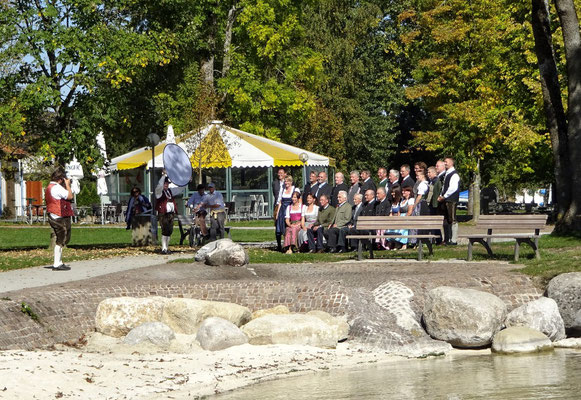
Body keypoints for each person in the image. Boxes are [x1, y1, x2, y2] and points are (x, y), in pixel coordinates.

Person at [45, 169, 74, 271]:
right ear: (61, 179)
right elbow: (70, 196)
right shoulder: (57, 188)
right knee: (61, 239)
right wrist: (68, 185)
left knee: (61, 239)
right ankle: (56, 264)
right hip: (58, 216)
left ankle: (59, 262)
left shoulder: (49, 187)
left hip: (53, 214)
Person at [155, 172, 185, 254]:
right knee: (165, 230)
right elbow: (159, 186)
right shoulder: (159, 192)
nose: (166, 185)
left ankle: (166, 247)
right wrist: (163, 176)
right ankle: (163, 248)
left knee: (169, 231)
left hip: (170, 214)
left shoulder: (169, 191)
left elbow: (179, 189)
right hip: (163, 213)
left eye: (167, 183)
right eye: (165, 183)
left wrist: (186, 182)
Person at [438, 157, 461, 245]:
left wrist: (444, 196)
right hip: (445, 200)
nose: (445, 163)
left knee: (452, 219)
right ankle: (447, 239)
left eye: (446, 162)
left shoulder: (454, 175)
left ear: (452, 163)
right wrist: (441, 195)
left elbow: (453, 188)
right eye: (444, 162)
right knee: (446, 220)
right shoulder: (447, 174)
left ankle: (454, 240)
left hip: (451, 200)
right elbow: (445, 187)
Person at [275, 175, 300, 252]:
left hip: (290, 209)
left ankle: (289, 246)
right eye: (285, 181)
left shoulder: (295, 189)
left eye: (288, 181)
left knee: (288, 227)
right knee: (279, 228)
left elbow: (298, 200)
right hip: (282, 210)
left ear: (291, 182)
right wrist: (277, 213)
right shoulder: (282, 189)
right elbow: (280, 202)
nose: (286, 183)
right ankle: (279, 245)